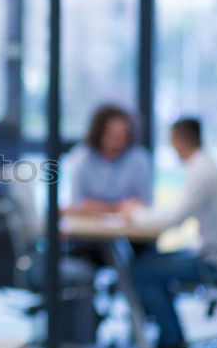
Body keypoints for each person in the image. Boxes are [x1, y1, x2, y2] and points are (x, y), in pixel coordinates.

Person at [125, 118, 217, 348]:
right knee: (150, 262)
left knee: (143, 270)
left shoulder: (202, 171)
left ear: (178, 140)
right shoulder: (204, 165)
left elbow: (173, 220)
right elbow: (175, 213)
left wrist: (134, 213)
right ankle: (170, 336)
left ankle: (170, 342)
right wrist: (139, 213)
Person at [64, 104, 154, 266]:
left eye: (123, 133)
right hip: (89, 239)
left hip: (132, 239)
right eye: (112, 133)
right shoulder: (82, 158)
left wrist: (98, 206)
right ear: (99, 132)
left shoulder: (138, 159)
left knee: (142, 261)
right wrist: (116, 207)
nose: (118, 138)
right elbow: (78, 205)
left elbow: (143, 204)